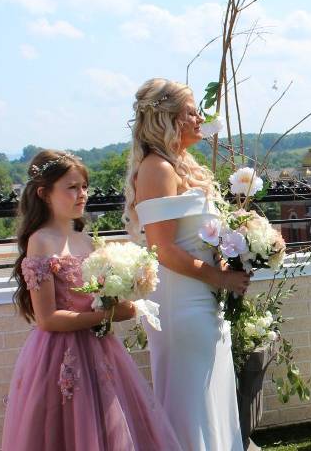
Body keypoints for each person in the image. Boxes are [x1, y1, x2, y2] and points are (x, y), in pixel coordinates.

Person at [2, 150, 182, 451]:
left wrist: (123, 291)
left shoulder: (87, 241)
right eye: (72, 187)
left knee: (108, 426)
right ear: (44, 193)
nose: (82, 194)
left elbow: (97, 297)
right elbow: (48, 319)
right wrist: (110, 316)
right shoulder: (41, 241)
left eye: (84, 186)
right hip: (59, 356)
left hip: (100, 348)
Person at [124, 78, 250, 451]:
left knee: (211, 396)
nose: (200, 118)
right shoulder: (157, 169)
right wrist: (221, 278)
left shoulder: (178, 165)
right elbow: (163, 248)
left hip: (203, 299)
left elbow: (192, 237)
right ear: (170, 118)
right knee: (190, 403)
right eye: (192, 111)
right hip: (181, 303)